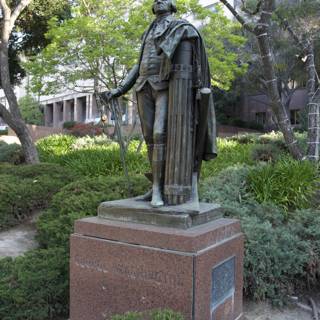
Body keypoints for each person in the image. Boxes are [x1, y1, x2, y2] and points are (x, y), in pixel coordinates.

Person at [104, 0, 217, 208]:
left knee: (159, 134)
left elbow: (190, 54)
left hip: (165, 86)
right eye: (156, 0)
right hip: (142, 87)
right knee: (149, 139)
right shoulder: (148, 31)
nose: (158, 1)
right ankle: (156, 185)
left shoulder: (181, 27)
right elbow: (139, 65)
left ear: (172, 4)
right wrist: (120, 89)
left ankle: (158, 190)